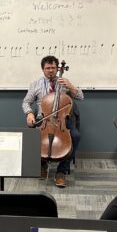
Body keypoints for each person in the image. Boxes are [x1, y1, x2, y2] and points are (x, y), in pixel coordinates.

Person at [22, 55, 83, 188]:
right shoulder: (35, 84)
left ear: (57, 69)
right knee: (33, 136)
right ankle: (42, 164)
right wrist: (29, 113)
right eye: (47, 68)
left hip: (62, 120)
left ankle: (61, 171)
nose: (50, 70)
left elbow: (81, 96)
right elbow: (26, 102)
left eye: (53, 68)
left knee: (76, 136)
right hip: (43, 119)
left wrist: (71, 87)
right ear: (43, 69)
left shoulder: (64, 82)